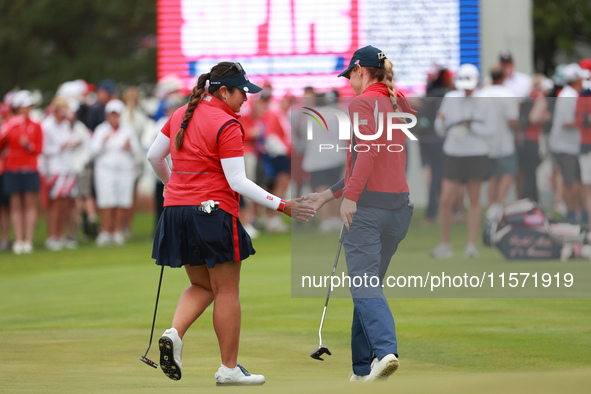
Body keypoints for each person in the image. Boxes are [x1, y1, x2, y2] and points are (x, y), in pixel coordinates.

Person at [146, 62, 314, 385]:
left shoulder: (181, 112)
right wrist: (282, 205)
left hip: (176, 213)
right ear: (224, 91)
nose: (245, 100)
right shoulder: (227, 123)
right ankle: (228, 368)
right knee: (226, 290)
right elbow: (237, 181)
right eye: (241, 93)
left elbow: (154, 156)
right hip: (211, 212)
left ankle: (174, 333)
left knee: (203, 285)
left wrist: (171, 186)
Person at [305, 46, 415, 382]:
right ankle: (360, 368)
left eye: (349, 76)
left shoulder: (363, 102)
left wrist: (349, 199)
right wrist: (329, 194)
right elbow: (366, 161)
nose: (348, 83)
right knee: (368, 287)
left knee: (364, 284)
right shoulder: (397, 101)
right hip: (398, 211)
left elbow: (366, 152)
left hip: (368, 211)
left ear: (360, 71)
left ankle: (385, 352)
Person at [431, 64, 494, 258]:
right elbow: (440, 129)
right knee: (446, 199)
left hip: (476, 153)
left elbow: (490, 130)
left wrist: (471, 125)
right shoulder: (450, 99)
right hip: (454, 152)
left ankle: (471, 245)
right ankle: (445, 244)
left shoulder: (485, 100)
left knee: (474, 198)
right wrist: (442, 120)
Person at [90, 99, 141, 246]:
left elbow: (137, 151)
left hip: (124, 170)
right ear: (107, 115)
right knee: (106, 202)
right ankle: (105, 231)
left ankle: (117, 231)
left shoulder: (127, 130)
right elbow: (92, 151)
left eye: (116, 114)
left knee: (121, 201)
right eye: (111, 115)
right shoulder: (101, 130)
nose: (114, 117)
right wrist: (103, 142)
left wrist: (130, 146)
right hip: (105, 170)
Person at [0, 90, 43, 254]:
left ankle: (28, 240)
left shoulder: (36, 124)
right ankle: (18, 240)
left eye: (29, 105)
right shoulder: (10, 124)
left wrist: (28, 145)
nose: (28, 108)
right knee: (15, 205)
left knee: (30, 204)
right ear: (17, 107)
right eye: (25, 106)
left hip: (30, 168)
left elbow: (39, 148)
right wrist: (5, 128)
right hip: (12, 168)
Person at [41, 97, 85, 250]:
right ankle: (53, 236)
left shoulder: (66, 125)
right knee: (56, 204)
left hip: (67, 168)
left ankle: (62, 236)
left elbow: (68, 144)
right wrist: (62, 146)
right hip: (54, 169)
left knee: (67, 203)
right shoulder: (47, 126)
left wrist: (72, 144)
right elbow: (44, 149)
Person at [478, 66, 520, 220]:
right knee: (508, 172)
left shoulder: (482, 93)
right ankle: (498, 204)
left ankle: (492, 206)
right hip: (504, 142)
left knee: (493, 176)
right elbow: (512, 120)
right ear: (503, 78)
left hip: (485, 143)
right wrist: (518, 130)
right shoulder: (507, 94)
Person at [549, 63, 585, 223]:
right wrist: (585, 120)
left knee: (575, 179)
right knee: (570, 180)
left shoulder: (571, 94)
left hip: (570, 145)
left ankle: (576, 210)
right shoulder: (568, 95)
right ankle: (572, 212)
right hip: (565, 146)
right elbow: (566, 122)